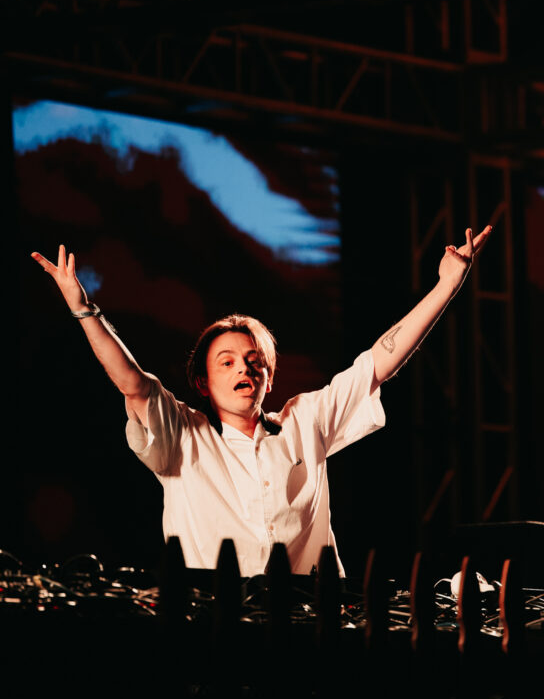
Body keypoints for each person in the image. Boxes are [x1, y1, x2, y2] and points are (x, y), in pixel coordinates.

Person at [31, 225, 491, 575]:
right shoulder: (182, 437)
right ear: (202, 383)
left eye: (255, 362)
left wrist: (446, 285)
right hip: (214, 627)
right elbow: (133, 383)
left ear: (269, 380)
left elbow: (378, 363)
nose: (244, 370)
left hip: (311, 626)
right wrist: (83, 309)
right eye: (227, 362)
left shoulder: (304, 422)